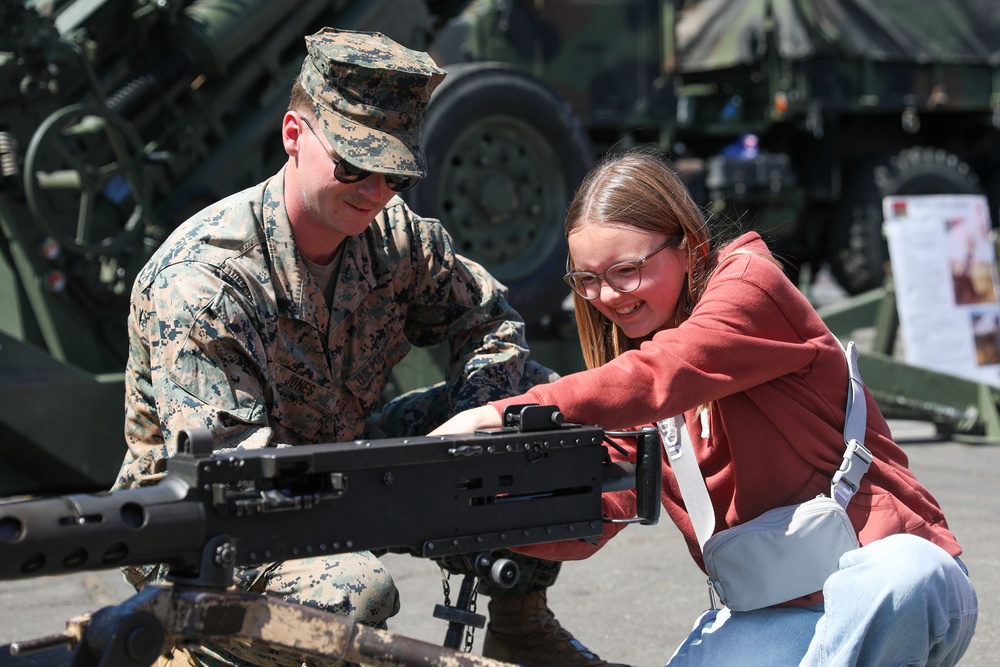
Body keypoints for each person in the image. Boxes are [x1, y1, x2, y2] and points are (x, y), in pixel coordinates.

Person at [112, 27, 626, 667]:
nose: (375, 191)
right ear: (294, 135)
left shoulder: (392, 237)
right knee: (354, 593)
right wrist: (411, 494)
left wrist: (478, 431)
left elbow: (491, 322)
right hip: (206, 534)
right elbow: (237, 486)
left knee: (539, 415)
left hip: (341, 464)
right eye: (355, 164)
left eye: (395, 173)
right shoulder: (205, 284)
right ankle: (193, 649)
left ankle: (519, 620)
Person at [430, 146, 980, 666]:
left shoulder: (748, 287)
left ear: (689, 247)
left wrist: (503, 412)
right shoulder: (641, 379)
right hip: (777, 614)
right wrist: (467, 508)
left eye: (626, 270)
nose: (607, 297)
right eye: (589, 280)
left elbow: (667, 372)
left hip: (895, 585)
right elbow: (593, 508)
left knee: (900, 576)